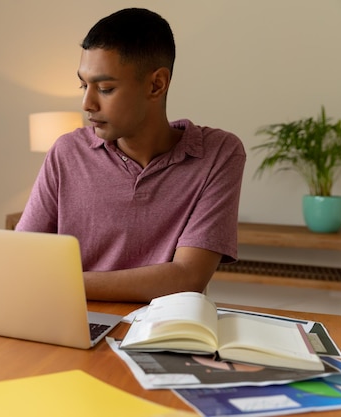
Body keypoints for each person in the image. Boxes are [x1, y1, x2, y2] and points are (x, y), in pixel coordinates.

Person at [15, 8, 246, 302]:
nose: (87, 103)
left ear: (156, 85)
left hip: (160, 336)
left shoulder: (218, 154)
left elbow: (188, 277)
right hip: (70, 324)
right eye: (83, 85)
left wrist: (64, 282)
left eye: (105, 88)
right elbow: (22, 260)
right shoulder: (67, 151)